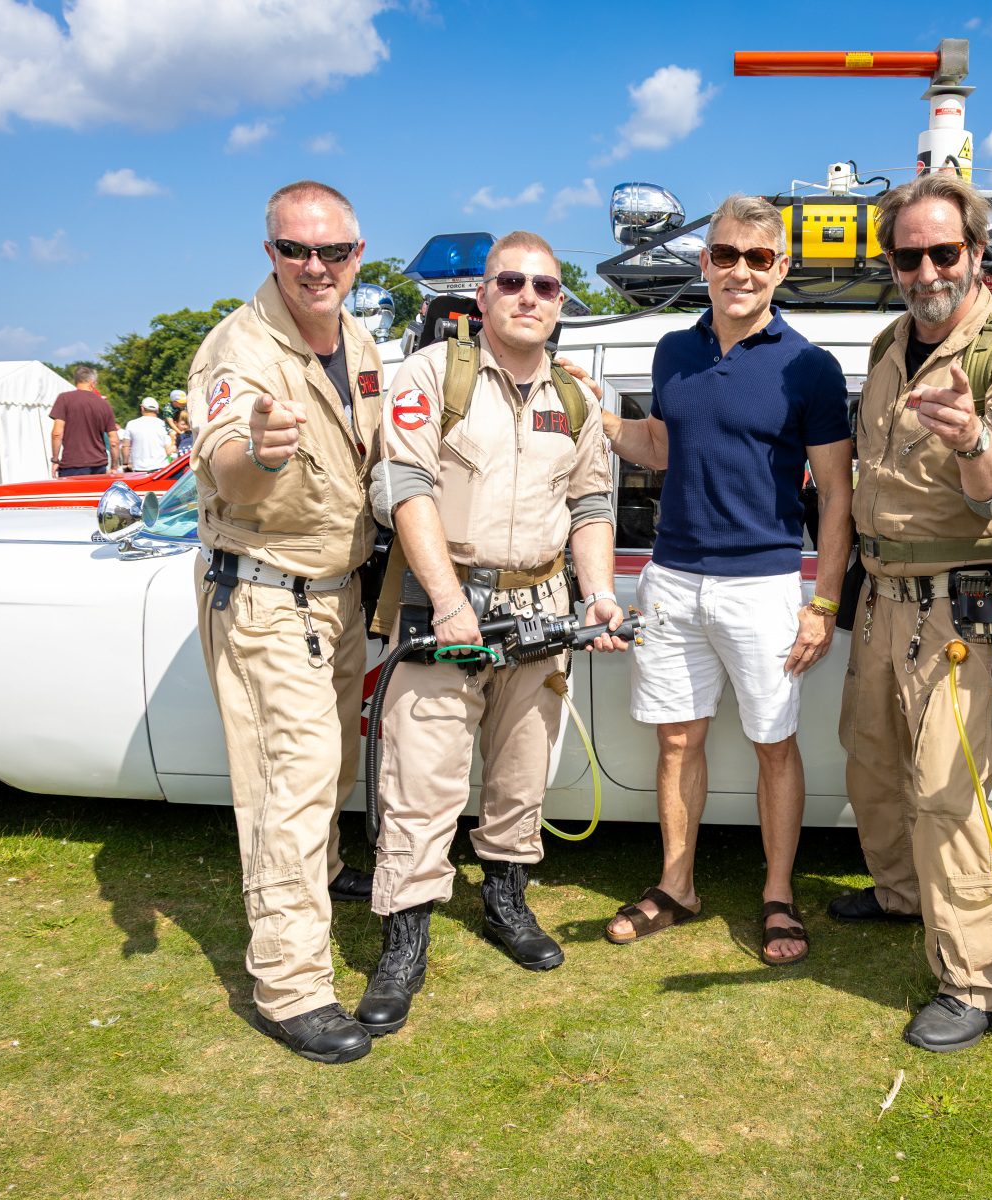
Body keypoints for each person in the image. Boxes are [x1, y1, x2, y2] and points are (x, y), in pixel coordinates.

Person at [358, 230, 624, 1038]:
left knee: (520, 777)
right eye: (513, 282)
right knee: (421, 786)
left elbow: (591, 507)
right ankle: (403, 943)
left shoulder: (576, 398)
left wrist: (600, 594)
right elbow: (404, 486)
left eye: (546, 287)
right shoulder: (433, 375)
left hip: (540, 609)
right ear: (483, 296)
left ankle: (506, 902)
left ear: (560, 302)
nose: (530, 297)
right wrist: (446, 599)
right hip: (446, 610)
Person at [832, 173, 992, 1052]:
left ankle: (975, 981)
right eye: (907, 253)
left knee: (950, 793)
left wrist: (974, 439)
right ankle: (903, 898)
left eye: (943, 251)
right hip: (884, 598)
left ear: (976, 253)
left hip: (958, 616)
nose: (925, 268)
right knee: (874, 767)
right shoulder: (892, 341)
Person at [599, 195, 852, 965]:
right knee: (677, 740)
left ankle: (778, 894)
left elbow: (837, 493)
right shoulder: (674, 350)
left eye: (758, 257)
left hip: (765, 584)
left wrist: (824, 603)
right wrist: (594, 414)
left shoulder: (810, 366)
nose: (740, 270)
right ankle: (677, 886)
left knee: (774, 742)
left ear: (782, 268)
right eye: (725, 254)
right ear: (703, 262)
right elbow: (665, 446)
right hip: (671, 577)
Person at [189, 179, 387, 1064]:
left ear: (357, 252)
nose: (316, 267)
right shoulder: (241, 347)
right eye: (295, 250)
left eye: (333, 251)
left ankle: (325, 878)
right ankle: (291, 986)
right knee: (290, 787)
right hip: (270, 596)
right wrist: (256, 453)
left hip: (337, 590)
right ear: (269, 252)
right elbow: (227, 457)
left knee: (332, 764)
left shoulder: (360, 336)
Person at [51, 366, 118, 477]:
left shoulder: (64, 399)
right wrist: (114, 466)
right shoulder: (104, 404)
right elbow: (114, 441)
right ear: (92, 383)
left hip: (72, 464)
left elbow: (57, 434)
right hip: (99, 466)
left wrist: (55, 460)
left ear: (76, 381)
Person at [121, 396, 173, 472]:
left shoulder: (131, 424)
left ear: (142, 408)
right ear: (157, 410)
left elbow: (125, 446)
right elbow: (168, 450)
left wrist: (125, 463)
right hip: (160, 469)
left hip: (138, 469)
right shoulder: (163, 425)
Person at [170, 390, 195, 456]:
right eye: (183, 424)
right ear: (176, 423)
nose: (186, 427)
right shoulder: (174, 435)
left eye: (188, 424)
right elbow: (171, 450)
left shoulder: (192, 433)